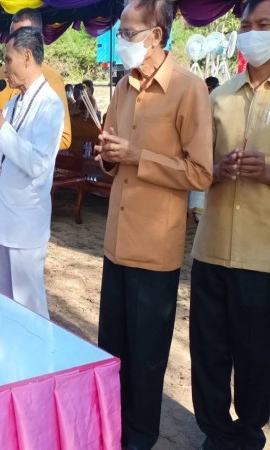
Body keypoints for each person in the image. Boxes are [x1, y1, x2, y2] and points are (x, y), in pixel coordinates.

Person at [94, 1, 214, 448]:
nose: (120, 40)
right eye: (121, 31)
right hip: (115, 244)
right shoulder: (124, 87)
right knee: (112, 353)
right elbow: (113, 156)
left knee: (146, 362)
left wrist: (138, 156)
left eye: (129, 32)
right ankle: (109, 431)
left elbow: (200, 172)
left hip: (154, 249)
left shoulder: (188, 88)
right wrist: (108, 157)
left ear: (157, 35)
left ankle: (139, 439)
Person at [190, 1, 270, 448]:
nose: (253, 33)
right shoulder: (218, 97)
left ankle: (249, 431)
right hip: (213, 245)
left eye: (264, 25)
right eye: (246, 25)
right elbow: (198, 166)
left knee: (258, 357)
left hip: (263, 255)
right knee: (208, 351)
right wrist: (216, 171)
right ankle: (215, 433)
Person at [0, 27, 64, 318]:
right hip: (2, 220)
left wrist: (2, 126)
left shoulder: (50, 105)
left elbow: (37, 163)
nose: (4, 68)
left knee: (29, 311)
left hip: (26, 225)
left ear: (27, 57)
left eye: (8, 60)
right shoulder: (14, 101)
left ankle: (37, 362)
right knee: (3, 305)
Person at [0, 7, 72, 227]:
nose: (15, 40)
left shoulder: (51, 81)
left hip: (24, 188)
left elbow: (64, 137)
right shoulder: (5, 74)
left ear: (34, 44)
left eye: (21, 35)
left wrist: (16, 139)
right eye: (12, 34)